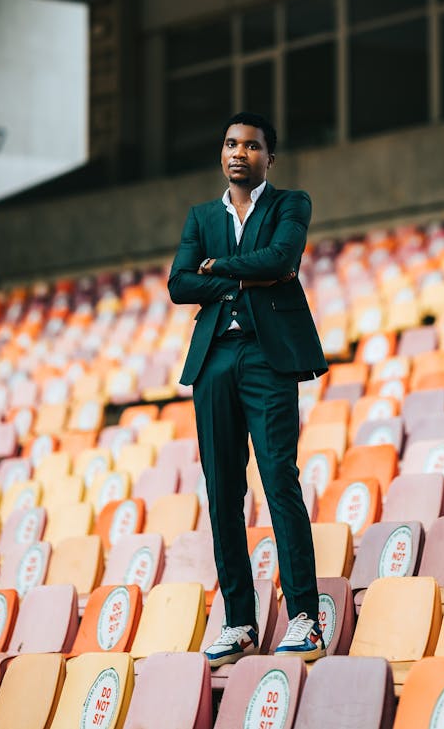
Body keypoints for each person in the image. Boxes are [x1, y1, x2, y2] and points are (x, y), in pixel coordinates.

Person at [168, 112, 328, 667]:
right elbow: (179, 283)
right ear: (221, 154)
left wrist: (220, 269)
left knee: (280, 479)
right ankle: (240, 623)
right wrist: (246, 273)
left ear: (269, 158)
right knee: (222, 493)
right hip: (214, 359)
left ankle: (305, 617)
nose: (241, 152)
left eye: (253, 146)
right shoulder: (200, 216)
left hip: (268, 355)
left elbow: (282, 258)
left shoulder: (291, 204)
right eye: (232, 143)